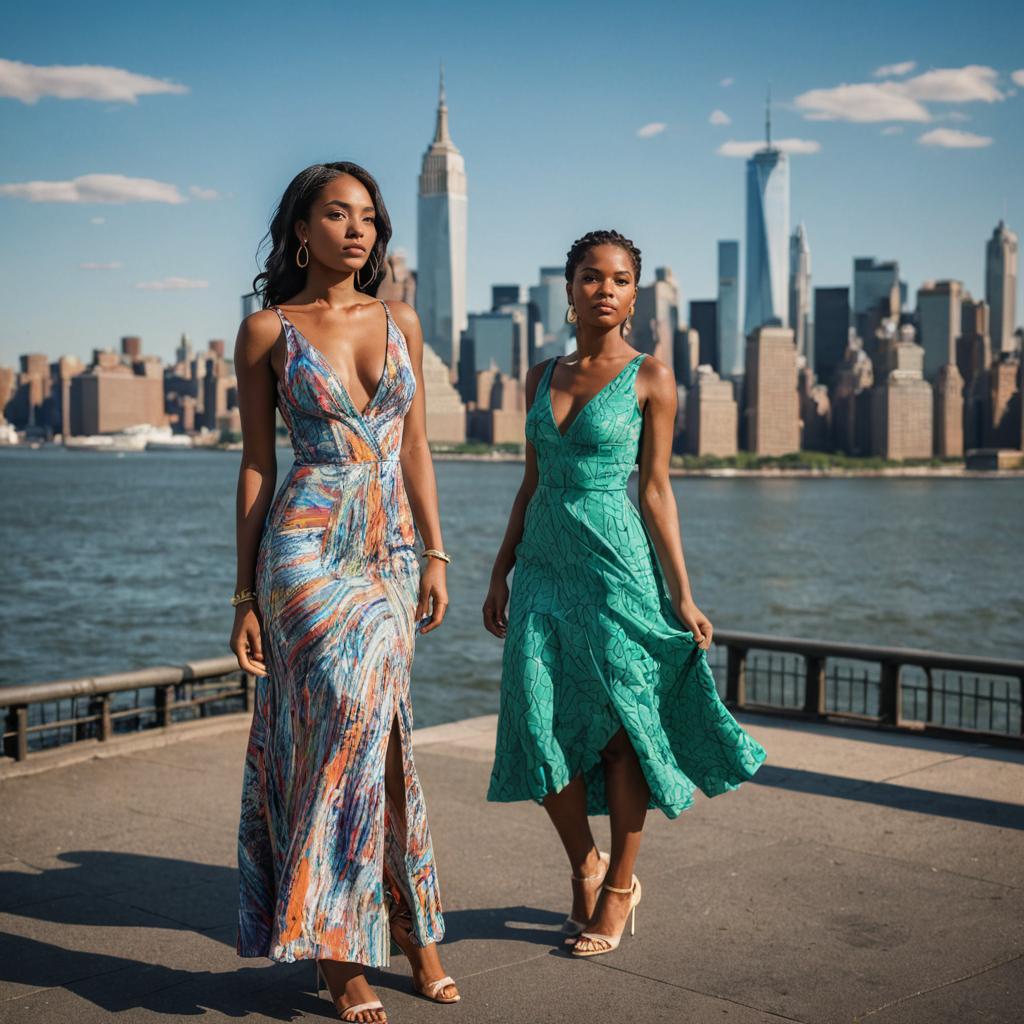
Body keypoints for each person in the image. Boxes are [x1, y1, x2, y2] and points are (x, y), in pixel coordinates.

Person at [483, 229, 767, 957]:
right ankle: (584, 860)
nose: (603, 288)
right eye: (589, 276)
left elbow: (657, 490)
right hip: (544, 568)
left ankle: (619, 887)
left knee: (618, 737)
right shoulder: (540, 374)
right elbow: (530, 482)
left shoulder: (652, 377)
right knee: (536, 722)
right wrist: (498, 569)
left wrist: (684, 593)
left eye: (617, 279)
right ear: (570, 289)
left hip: (617, 570)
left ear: (634, 295)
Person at [229, 162, 459, 1023]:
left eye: (368, 216)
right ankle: (337, 950)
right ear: (301, 228)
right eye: (337, 213)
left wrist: (436, 552)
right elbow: (257, 463)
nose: (357, 229)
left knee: (383, 734)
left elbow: (416, 448)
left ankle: (409, 922)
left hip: (390, 549)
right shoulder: (266, 330)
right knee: (342, 731)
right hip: (306, 548)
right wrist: (242, 596)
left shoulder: (400, 319)